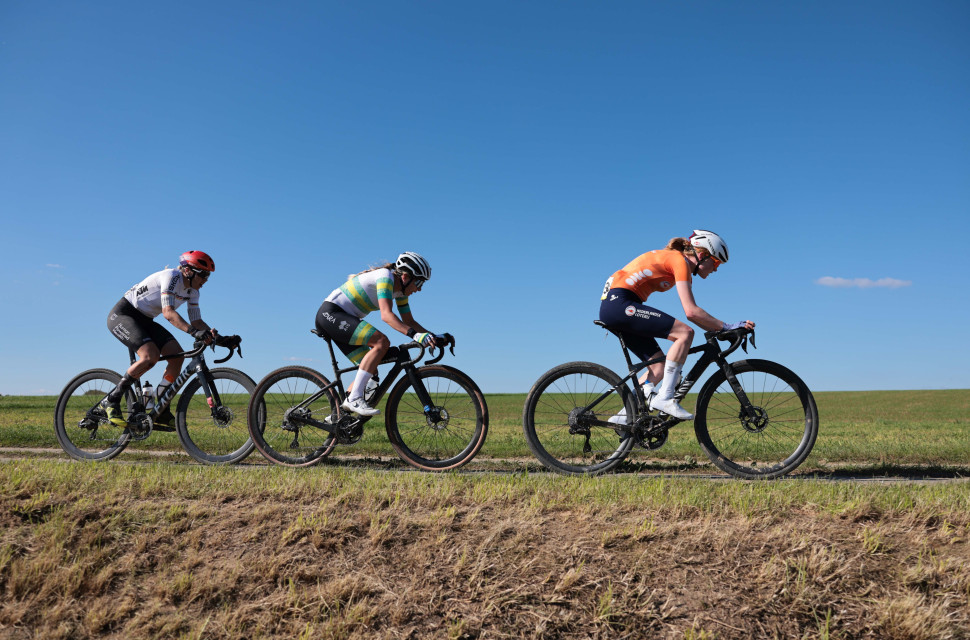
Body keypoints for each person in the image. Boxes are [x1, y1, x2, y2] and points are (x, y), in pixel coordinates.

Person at [599, 230, 754, 421]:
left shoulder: (675, 260)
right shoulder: (679, 261)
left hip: (618, 306)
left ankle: (623, 418)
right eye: (715, 262)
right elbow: (691, 312)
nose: (716, 269)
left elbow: (694, 314)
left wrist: (721, 327)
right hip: (620, 304)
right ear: (702, 254)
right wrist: (726, 326)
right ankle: (665, 398)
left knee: (658, 367)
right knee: (685, 333)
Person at [102, 251, 219, 427]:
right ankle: (112, 399)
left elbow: (197, 321)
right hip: (123, 315)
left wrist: (220, 338)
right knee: (150, 356)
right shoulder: (171, 277)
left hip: (145, 320)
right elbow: (168, 313)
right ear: (188, 271)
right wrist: (194, 332)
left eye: (208, 276)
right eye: (203, 275)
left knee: (177, 356)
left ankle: (161, 407)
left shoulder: (193, 292)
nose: (206, 280)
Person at [315, 251, 440, 417]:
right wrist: (416, 336)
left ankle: (339, 418)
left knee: (371, 370)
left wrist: (434, 338)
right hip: (331, 314)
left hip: (343, 320)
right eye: (418, 282)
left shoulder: (400, 293)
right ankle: (354, 399)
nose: (419, 289)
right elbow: (386, 315)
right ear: (405, 277)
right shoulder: (385, 277)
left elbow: (409, 321)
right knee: (381, 342)